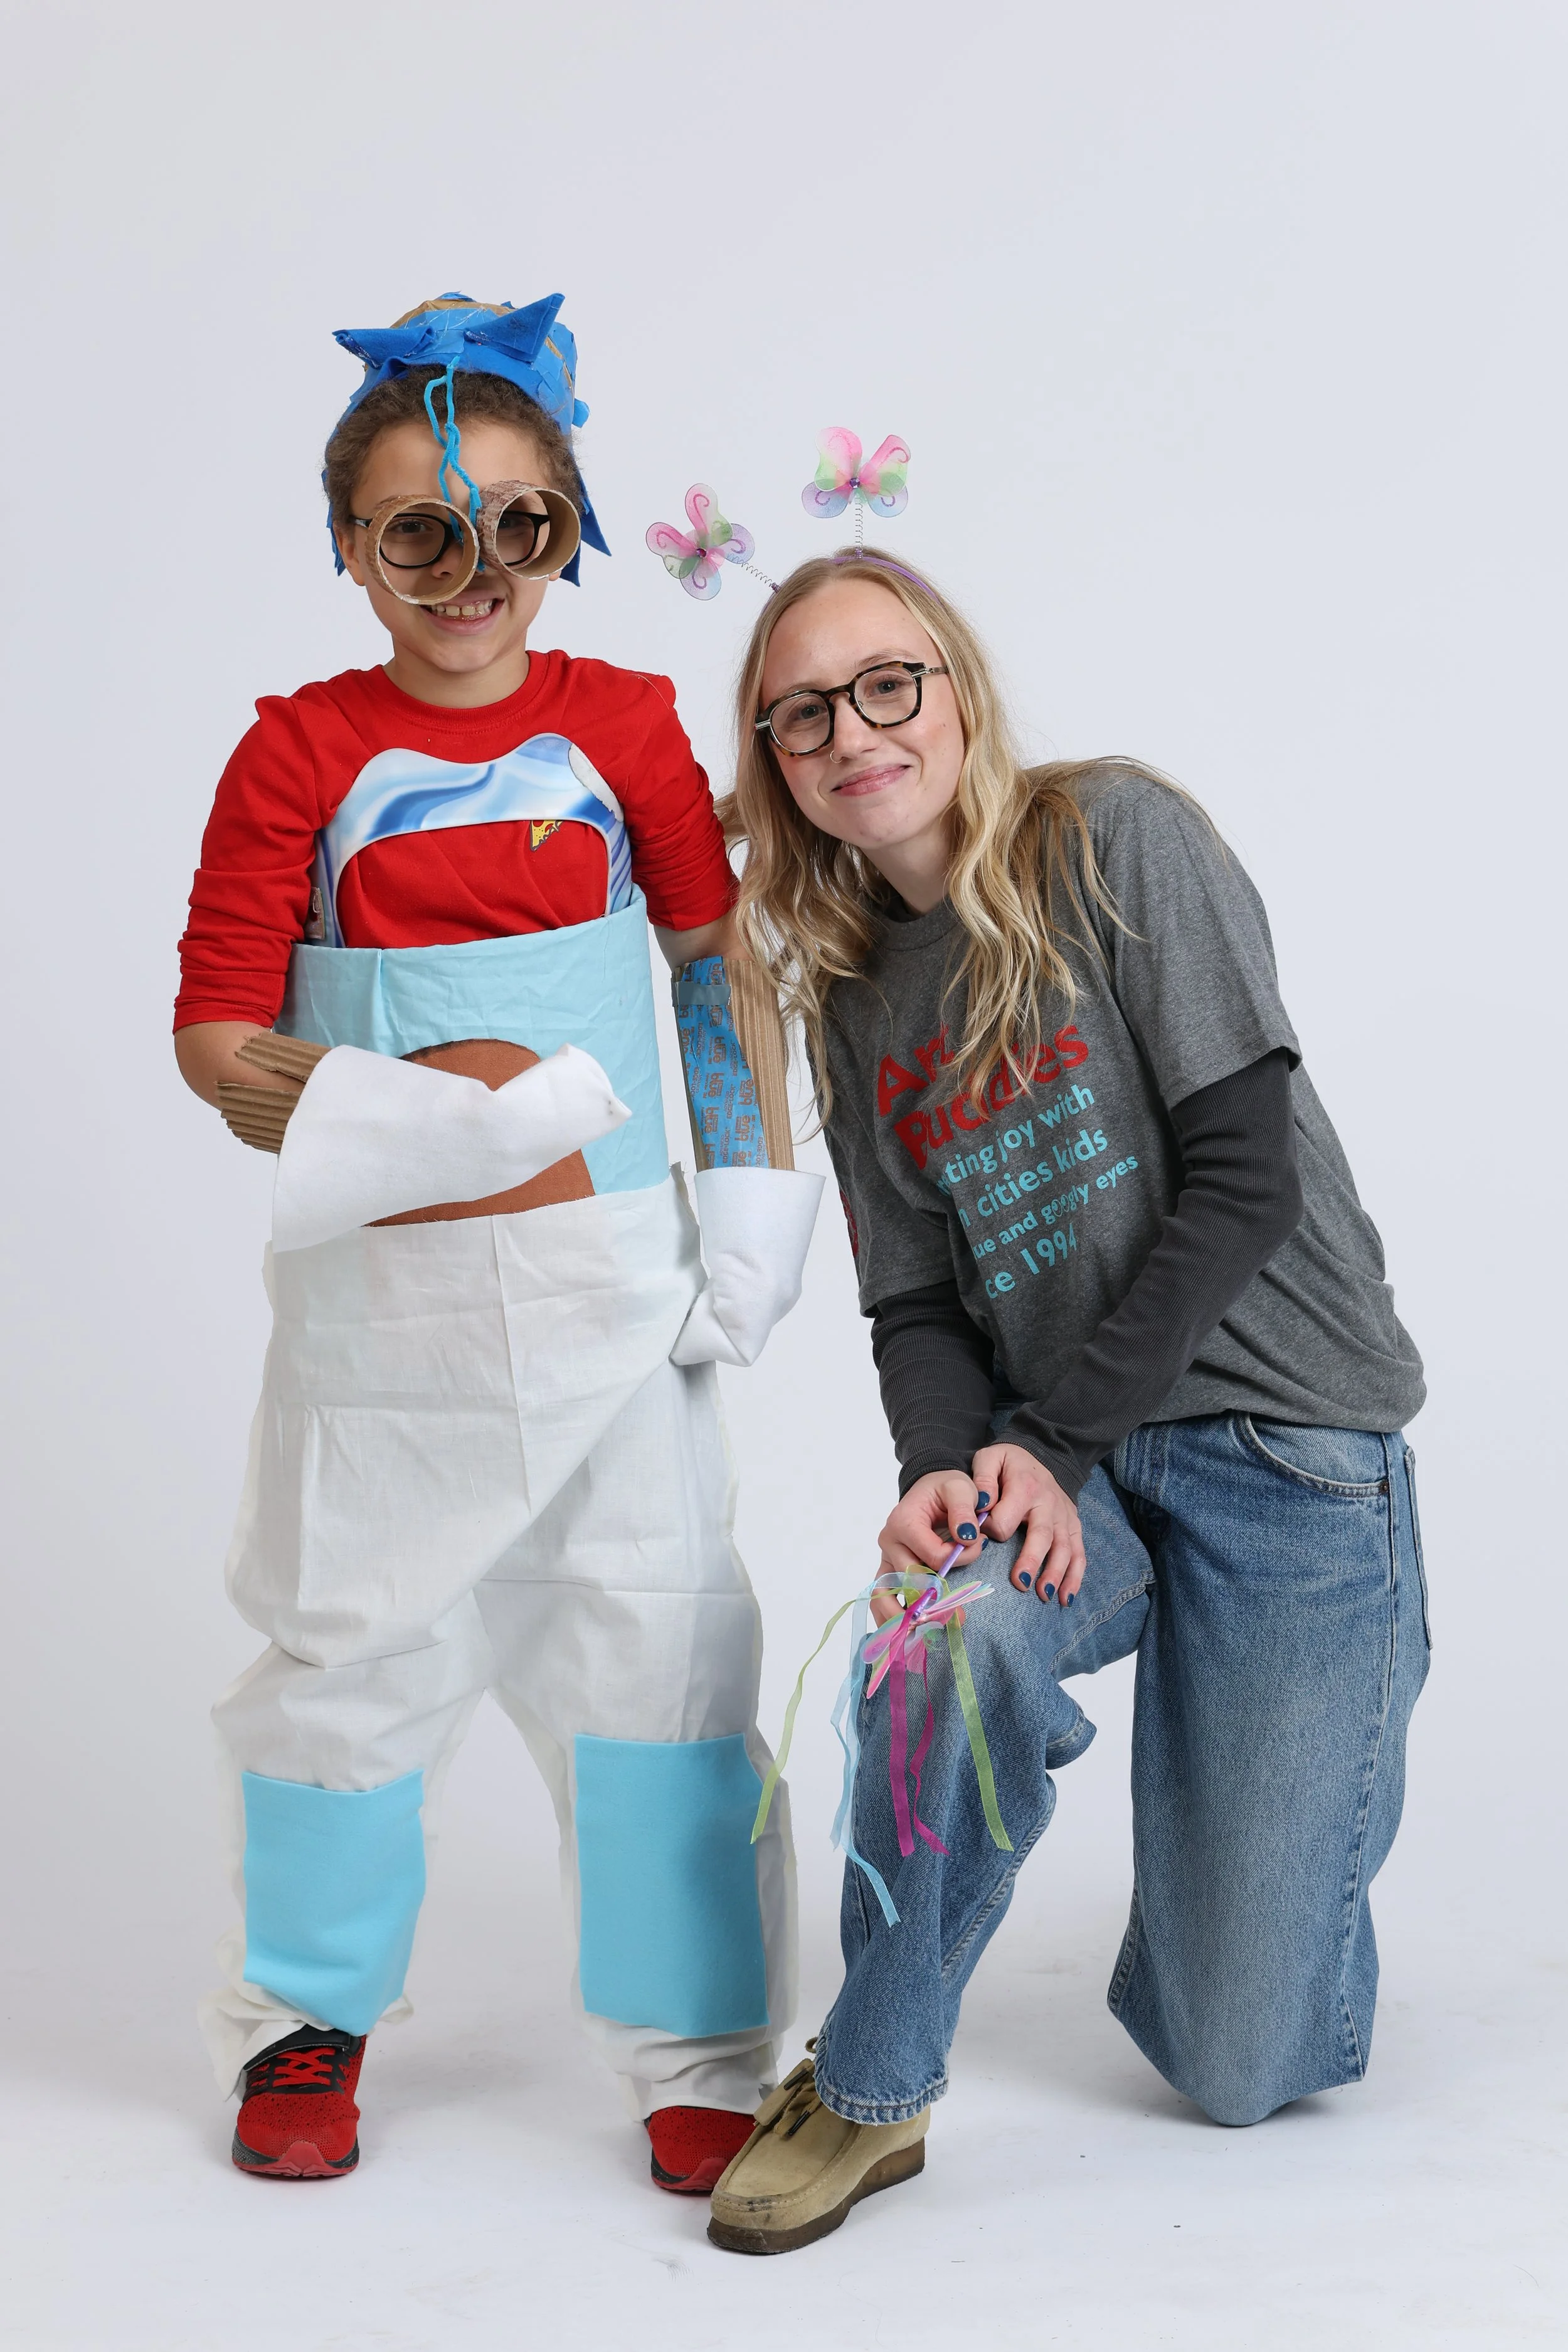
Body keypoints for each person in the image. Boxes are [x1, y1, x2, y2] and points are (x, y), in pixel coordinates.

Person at [704, 548, 1428, 2255]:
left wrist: (1046, 1440)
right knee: (942, 1642)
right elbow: (916, 1303)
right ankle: (871, 2083)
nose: (852, 732)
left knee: (1239, 2062)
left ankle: (1254, 1800)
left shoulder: (1115, 841)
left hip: (1284, 1447)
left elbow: (1244, 1178)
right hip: (1067, 1471)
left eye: (886, 683)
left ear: (955, 688)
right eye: (802, 712)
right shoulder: (850, 987)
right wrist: (943, 1470)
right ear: (774, 759)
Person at [173, 292, 820, 2193]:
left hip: (615, 1304)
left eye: (521, 525)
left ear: (571, 529)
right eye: (420, 533)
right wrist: (400, 1119)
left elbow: (714, 971)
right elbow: (216, 1037)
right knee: (345, 1663)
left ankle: (696, 2041)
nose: (475, 575)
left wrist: (753, 1193)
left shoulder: (623, 729)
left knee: (659, 1652)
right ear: (350, 546)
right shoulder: (297, 755)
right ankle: (304, 2015)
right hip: (384, 1330)